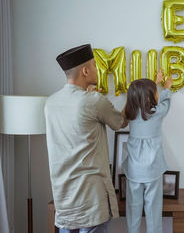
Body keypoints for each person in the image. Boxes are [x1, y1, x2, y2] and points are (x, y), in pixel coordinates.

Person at [45, 44, 128, 232]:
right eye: (94, 66)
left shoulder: (51, 103)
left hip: (65, 198)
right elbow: (120, 122)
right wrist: (131, 99)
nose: (97, 70)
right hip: (91, 200)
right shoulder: (94, 101)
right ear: (84, 70)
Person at [122, 71, 173, 233]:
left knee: (133, 210)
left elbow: (142, 96)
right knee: (153, 211)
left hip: (134, 171)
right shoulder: (157, 113)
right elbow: (165, 101)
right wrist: (166, 87)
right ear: (150, 97)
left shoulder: (129, 114)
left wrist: (155, 82)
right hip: (152, 170)